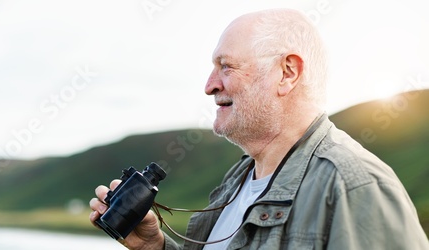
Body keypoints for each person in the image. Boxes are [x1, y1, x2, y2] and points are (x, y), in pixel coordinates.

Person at [89, 8, 429, 249]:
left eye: (226, 66)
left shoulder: (354, 187)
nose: (209, 86)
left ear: (287, 73)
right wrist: (155, 247)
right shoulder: (235, 184)